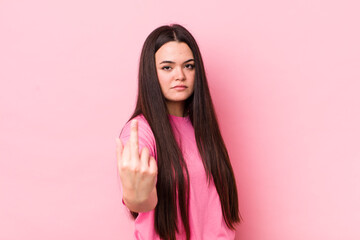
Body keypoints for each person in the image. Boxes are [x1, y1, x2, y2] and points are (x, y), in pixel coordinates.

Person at [116, 24, 241, 240]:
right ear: (150, 73)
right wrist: (136, 195)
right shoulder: (140, 131)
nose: (180, 75)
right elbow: (141, 202)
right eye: (167, 67)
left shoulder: (202, 127)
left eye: (189, 66)